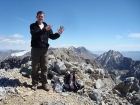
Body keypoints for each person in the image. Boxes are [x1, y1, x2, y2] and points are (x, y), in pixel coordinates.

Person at [30, 11, 64, 91]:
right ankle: (34, 83)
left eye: (42, 16)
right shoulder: (33, 26)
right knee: (35, 67)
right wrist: (45, 29)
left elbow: (51, 36)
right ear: (36, 17)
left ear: (44, 17)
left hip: (45, 49)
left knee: (44, 67)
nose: (40, 18)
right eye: (39, 16)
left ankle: (44, 83)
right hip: (35, 49)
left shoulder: (47, 26)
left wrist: (58, 34)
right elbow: (34, 34)